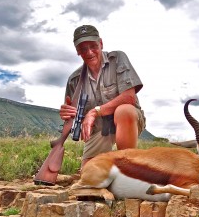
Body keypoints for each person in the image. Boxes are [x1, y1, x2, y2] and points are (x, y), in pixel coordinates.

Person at [59, 25, 146, 167]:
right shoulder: (74, 80)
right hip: (100, 129)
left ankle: (127, 165)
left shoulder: (117, 58)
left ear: (101, 43)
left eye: (93, 46)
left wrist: (94, 112)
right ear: (77, 51)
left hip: (127, 120)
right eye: (83, 49)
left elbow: (129, 97)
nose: (89, 52)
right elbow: (71, 118)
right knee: (88, 173)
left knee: (124, 110)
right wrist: (66, 114)